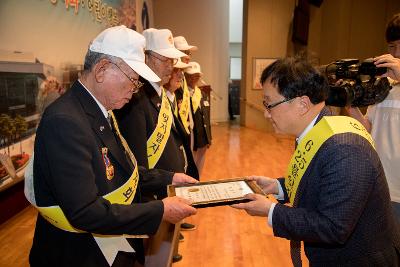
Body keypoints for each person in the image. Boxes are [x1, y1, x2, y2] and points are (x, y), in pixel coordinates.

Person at [27, 25, 197, 267]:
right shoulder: (65, 121)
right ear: (102, 69)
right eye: (132, 80)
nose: (134, 89)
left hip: (109, 246)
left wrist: (169, 178)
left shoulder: (101, 110)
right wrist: (159, 210)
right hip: (78, 255)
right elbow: (84, 211)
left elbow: (123, 173)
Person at [232, 57, 400, 266]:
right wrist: (277, 187)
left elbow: (333, 227)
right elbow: (321, 181)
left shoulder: (345, 148)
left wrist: (270, 211)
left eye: (270, 104)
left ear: (302, 104)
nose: (266, 113)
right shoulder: (320, 129)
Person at [114, 28, 194, 262]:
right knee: (154, 257)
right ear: (146, 57)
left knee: (165, 255)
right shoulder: (136, 99)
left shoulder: (159, 94)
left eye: (172, 59)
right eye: (165, 59)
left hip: (167, 190)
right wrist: (153, 199)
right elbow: (137, 160)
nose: (171, 65)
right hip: (154, 197)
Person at [346, 13, 400, 220]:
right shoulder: (385, 84)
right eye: (391, 47)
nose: (395, 53)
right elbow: (369, 128)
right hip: (377, 185)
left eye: (399, 46)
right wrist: (351, 106)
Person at [184, 62, 212, 176]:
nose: (194, 78)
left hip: (203, 139)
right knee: (191, 165)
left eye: (196, 75)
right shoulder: (184, 96)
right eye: (191, 75)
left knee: (200, 163)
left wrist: (209, 137)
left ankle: (197, 182)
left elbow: (207, 118)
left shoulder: (203, 94)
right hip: (192, 138)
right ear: (185, 76)